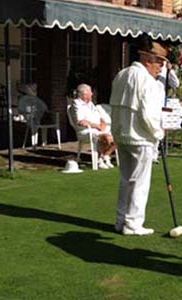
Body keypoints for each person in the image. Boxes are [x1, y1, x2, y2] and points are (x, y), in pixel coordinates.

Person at [109, 39, 167, 236]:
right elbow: (148, 114)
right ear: (148, 60)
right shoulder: (147, 81)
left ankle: (120, 220)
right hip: (140, 138)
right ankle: (133, 223)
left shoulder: (121, 75)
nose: (161, 67)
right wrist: (158, 133)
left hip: (121, 135)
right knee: (140, 182)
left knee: (126, 179)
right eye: (159, 62)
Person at [72, 83, 117, 169]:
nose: (92, 94)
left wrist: (102, 123)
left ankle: (104, 156)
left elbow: (99, 117)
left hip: (98, 129)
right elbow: (81, 121)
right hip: (86, 131)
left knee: (118, 137)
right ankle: (100, 159)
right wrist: (97, 126)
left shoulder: (91, 103)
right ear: (84, 94)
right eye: (90, 92)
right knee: (107, 138)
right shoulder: (76, 103)